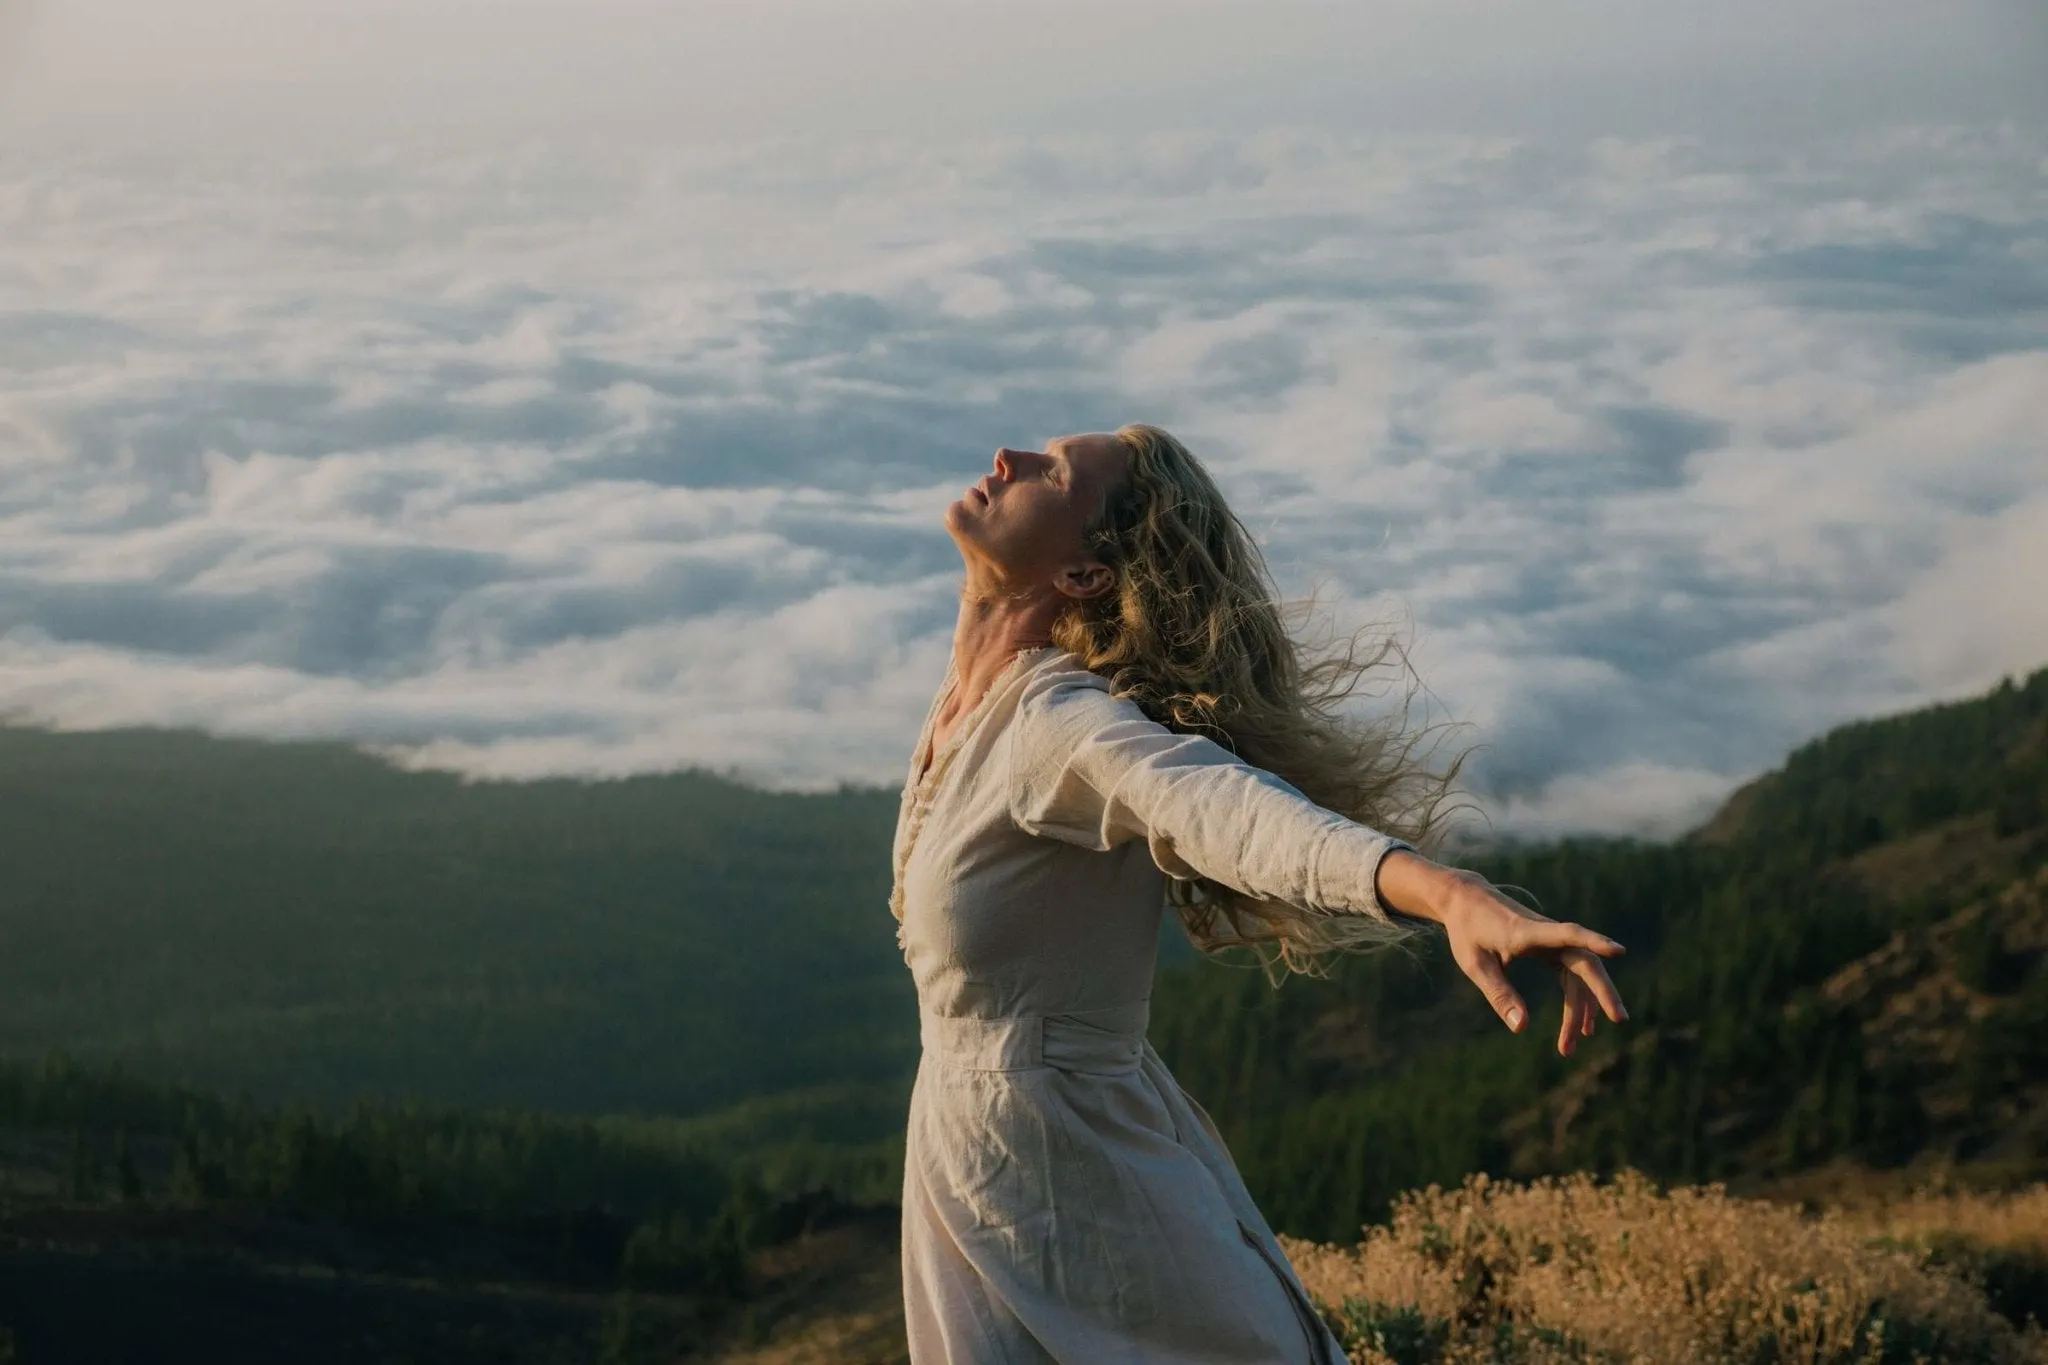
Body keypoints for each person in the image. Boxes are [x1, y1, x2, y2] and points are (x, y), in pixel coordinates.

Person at [892, 424, 1628, 1363]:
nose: (1009, 460)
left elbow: (1227, 811)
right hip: (966, 1155)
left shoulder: (1060, 725)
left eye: (1053, 471)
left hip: (1069, 1162)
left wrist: (1445, 893)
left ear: (1082, 575)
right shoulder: (963, 703)